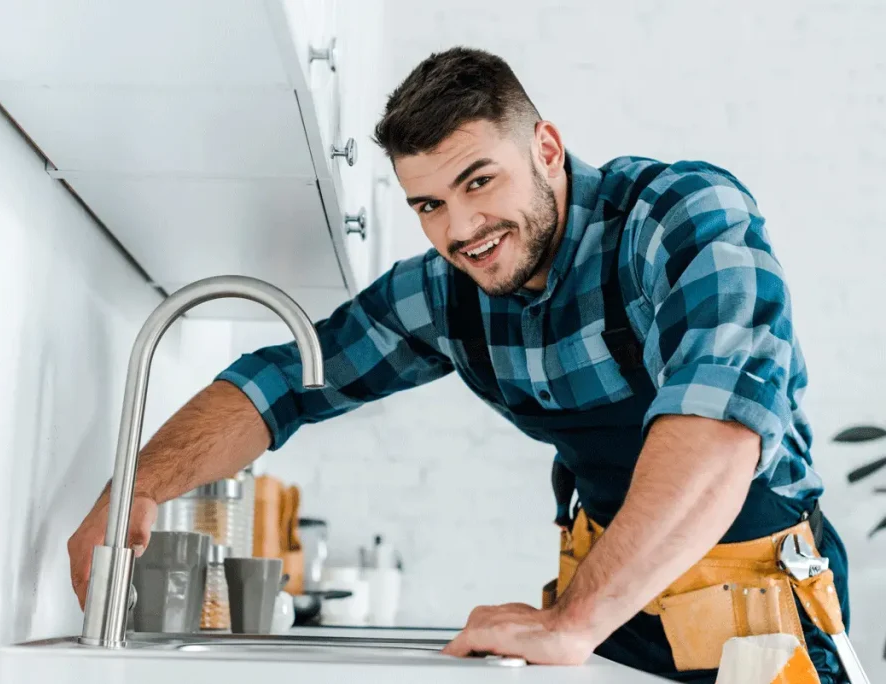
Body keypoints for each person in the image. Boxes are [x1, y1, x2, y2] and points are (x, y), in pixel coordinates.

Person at [68, 47, 850, 682]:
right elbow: (286, 382)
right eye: (429, 204)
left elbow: (719, 434)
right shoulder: (448, 296)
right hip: (614, 623)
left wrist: (572, 622)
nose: (462, 228)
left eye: (479, 181)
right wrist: (135, 486)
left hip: (759, 628)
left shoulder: (679, 217)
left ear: (545, 148)